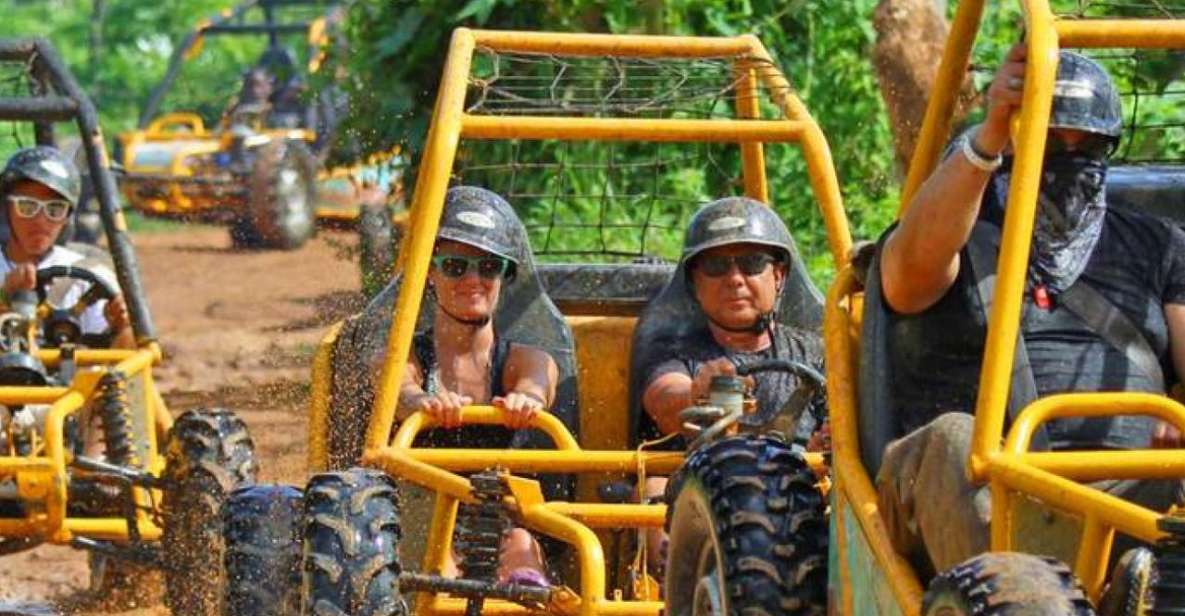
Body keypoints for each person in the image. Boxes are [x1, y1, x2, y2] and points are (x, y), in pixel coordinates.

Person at [876, 45, 1185, 576]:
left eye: (1085, 144)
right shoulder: (959, 225)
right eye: (1049, 139)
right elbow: (907, 283)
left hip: (1124, 496)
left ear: (1108, 147)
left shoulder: (1157, 245)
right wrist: (991, 130)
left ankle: (1126, 585)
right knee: (953, 434)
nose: (1068, 157)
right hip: (979, 490)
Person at [638, 196, 827, 571]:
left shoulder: (816, 352)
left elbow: (846, 420)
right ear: (694, 282)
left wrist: (832, 438)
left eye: (752, 263)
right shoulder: (672, 351)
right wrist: (697, 392)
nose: (735, 279)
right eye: (715, 266)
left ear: (778, 275)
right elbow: (664, 398)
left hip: (802, 498)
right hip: (699, 499)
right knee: (654, 488)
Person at [393, 186, 558, 587]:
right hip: (421, 518)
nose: (473, 280)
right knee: (438, 563)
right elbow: (399, 389)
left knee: (521, 544)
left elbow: (540, 379)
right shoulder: (406, 353)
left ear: (504, 275)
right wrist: (424, 402)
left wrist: (527, 400)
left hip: (497, 519)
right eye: (454, 266)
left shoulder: (521, 358)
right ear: (429, 272)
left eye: (489, 268)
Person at [0, 146, 132, 349]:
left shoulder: (89, 276)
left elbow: (122, 367)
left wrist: (121, 327)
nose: (40, 220)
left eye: (55, 209)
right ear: (6, 208)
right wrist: (5, 302)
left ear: (67, 217)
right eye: (27, 207)